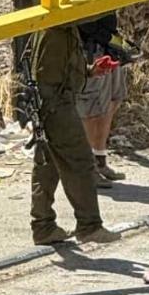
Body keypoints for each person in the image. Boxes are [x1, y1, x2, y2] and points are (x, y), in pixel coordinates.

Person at [25, 17, 120, 247]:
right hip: (57, 105)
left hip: (53, 103)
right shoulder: (56, 29)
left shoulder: (61, 27)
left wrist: (90, 71)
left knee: (48, 165)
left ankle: (43, 227)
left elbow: (64, 67)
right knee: (80, 161)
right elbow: (47, 77)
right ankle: (89, 226)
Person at [70, 0, 129, 187]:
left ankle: (99, 159)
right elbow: (80, 17)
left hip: (107, 45)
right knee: (91, 109)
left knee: (112, 101)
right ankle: (86, 169)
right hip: (93, 49)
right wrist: (103, 39)